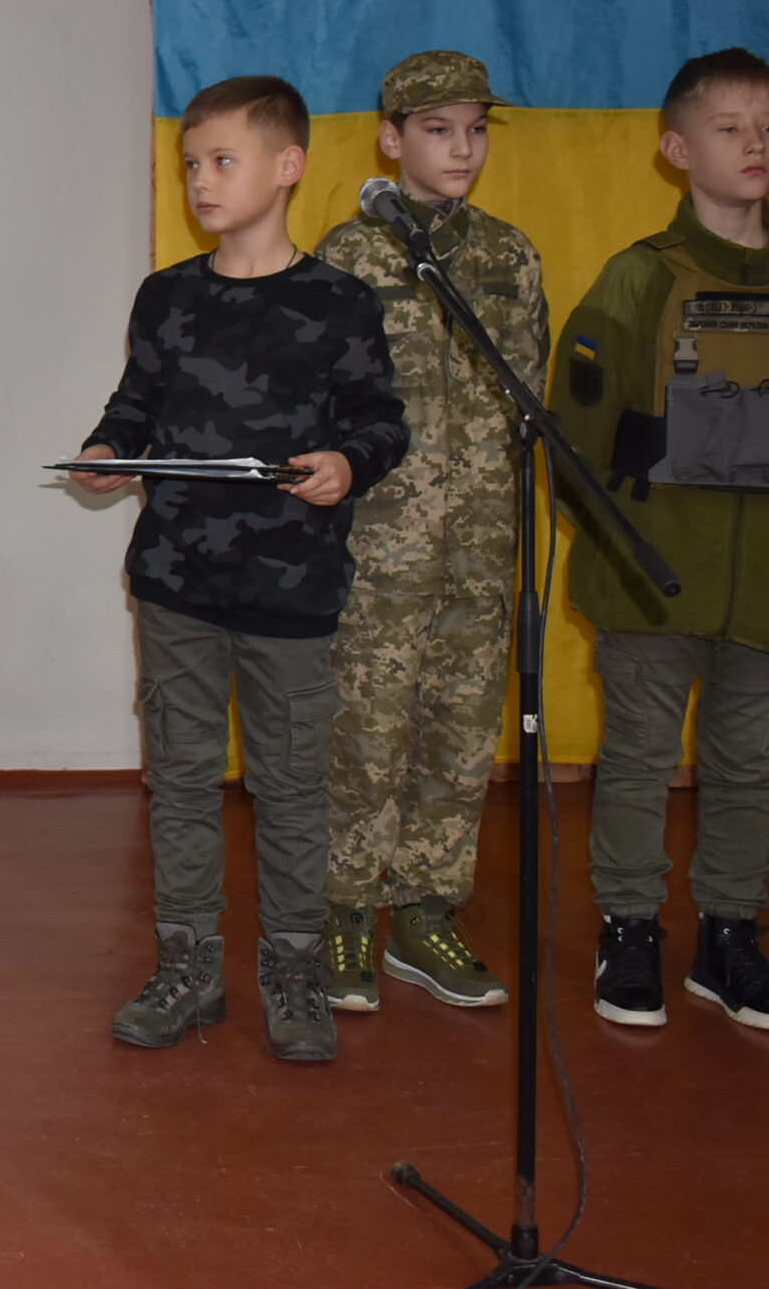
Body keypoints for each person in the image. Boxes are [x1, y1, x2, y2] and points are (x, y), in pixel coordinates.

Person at [71, 75, 405, 1064]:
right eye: (190, 164)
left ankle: (295, 968)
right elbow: (134, 406)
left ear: (288, 165)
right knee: (180, 779)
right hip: (176, 583)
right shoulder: (168, 296)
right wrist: (106, 450)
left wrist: (348, 463)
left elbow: (381, 422)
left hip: (291, 592)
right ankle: (189, 965)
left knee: (290, 786)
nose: (201, 181)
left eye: (223, 160)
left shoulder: (339, 303)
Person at [311, 52, 545, 1015]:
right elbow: (321, 409)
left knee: (460, 730)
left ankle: (424, 910)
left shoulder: (510, 256)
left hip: (480, 546)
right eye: (439, 130)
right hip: (378, 550)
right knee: (364, 730)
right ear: (390, 139)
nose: (463, 149)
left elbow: (528, 398)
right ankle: (343, 911)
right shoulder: (347, 258)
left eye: (476, 130)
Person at [551, 46, 769, 1032]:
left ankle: (729, 937)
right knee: (638, 758)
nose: (754, 143)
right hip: (650, 582)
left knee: (748, 765)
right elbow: (575, 437)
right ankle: (630, 929)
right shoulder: (636, 279)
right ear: (677, 150)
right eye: (729, 127)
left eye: (765, 126)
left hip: (759, 590)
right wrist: (620, 555)